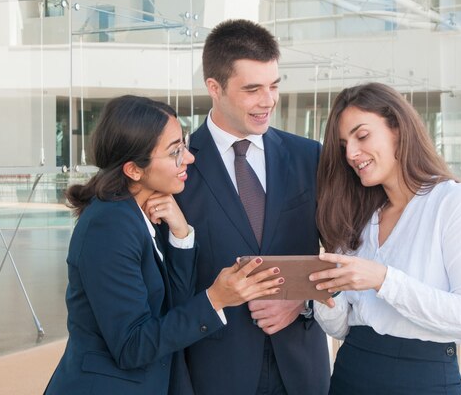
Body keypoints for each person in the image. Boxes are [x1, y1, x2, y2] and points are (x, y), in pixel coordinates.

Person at [44, 95, 283, 395]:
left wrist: (181, 234)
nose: (189, 158)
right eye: (175, 152)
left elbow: (172, 306)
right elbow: (132, 346)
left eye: (183, 146)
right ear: (133, 170)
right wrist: (215, 299)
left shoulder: (141, 214)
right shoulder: (109, 226)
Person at [309, 82, 461, 394]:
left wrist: (383, 279)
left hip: (422, 379)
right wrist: (322, 293)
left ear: (399, 130)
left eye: (362, 136)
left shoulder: (456, 205)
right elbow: (340, 328)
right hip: (350, 371)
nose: (351, 153)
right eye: (343, 144)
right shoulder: (357, 215)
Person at [175, 19, 330, 395]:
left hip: (301, 367)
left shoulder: (310, 157)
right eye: (253, 89)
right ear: (214, 88)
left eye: (274, 85)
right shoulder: (178, 169)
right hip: (214, 371)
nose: (268, 100)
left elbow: (351, 250)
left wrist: (303, 301)